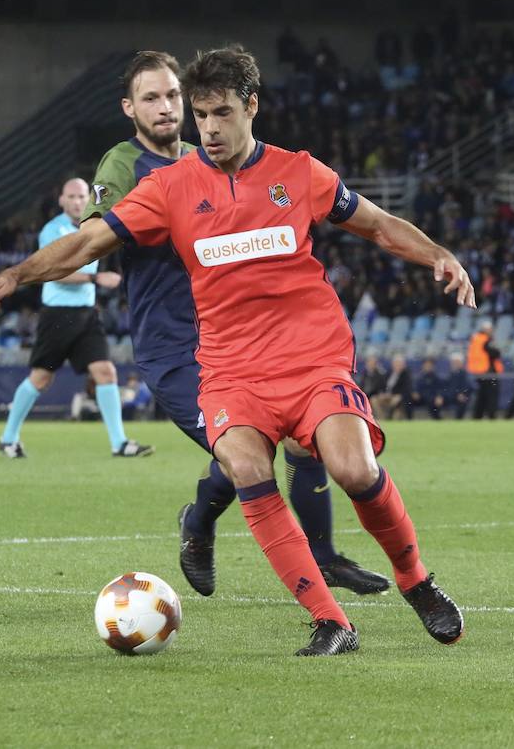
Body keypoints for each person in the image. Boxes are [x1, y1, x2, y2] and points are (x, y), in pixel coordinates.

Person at [0, 46, 476, 657]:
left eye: (220, 112)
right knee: (247, 468)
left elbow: (376, 223)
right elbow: (88, 242)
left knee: (353, 469)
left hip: (312, 358)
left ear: (251, 107)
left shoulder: (300, 172)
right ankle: (330, 621)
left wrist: (439, 255)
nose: (207, 127)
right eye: (201, 114)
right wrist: (12, 277)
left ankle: (415, 580)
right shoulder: (169, 186)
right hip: (231, 368)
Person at [79, 50, 388, 598]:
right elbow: (92, 239)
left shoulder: (212, 156)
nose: (168, 107)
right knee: (243, 454)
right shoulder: (124, 167)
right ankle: (197, 525)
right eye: (152, 98)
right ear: (129, 108)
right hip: (173, 344)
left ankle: (323, 555)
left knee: (300, 437)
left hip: (237, 338)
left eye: (174, 96)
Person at [0, 178, 153, 459]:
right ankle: (8, 437)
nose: (78, 201)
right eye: (72, 196)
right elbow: (54, 271)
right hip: (57, 314)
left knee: (106, 372)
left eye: (82, 196)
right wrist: (96, 277)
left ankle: (119, 443)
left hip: (86, 314)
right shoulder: (52, 230)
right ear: (61, 200)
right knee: (41, 379)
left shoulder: (92, 227)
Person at [467, 319, 503, 419]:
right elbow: (495, 353)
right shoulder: (485, 339)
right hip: (488, 372)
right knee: (491, 397)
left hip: (479, 372)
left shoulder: (476, 338)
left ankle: (477, 417)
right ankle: (491, 416)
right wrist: (498, 350)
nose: (492, 331)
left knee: (481, 397)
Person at [372, 354, 414, 420]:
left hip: (398, 397)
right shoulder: (388, 373)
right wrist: (382, 393)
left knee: (396, 402)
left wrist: (399, 396)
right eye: (396, 363)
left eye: (399, 364)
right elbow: (381, 386)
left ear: (403, 365)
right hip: (386, 396)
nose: (397, 365)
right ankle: (382, 418)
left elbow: (407, 389)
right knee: (374, 399)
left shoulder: (406, 374)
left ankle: (392, 417)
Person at [443, 353, 471, 419]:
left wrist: (462, 393)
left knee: (462, 402)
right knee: (434, 401)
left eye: (457, 362)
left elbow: (467, 386)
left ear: (461, 363)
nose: (455, 364)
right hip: (449, 396)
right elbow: (444, 387)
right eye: (453, 362)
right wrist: (440, 395)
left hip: (459, 396)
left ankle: (458, 420)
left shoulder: (465, 374)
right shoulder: (449, 375)